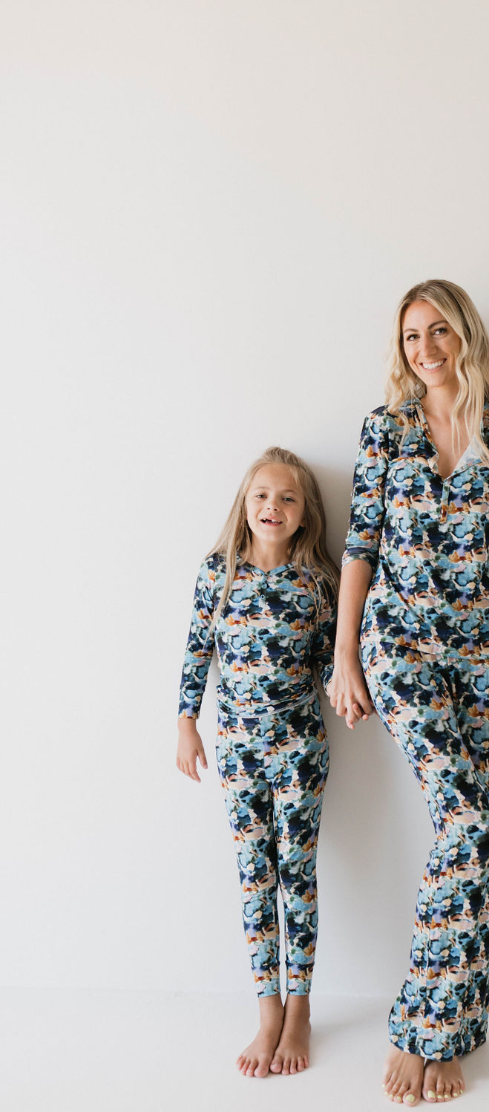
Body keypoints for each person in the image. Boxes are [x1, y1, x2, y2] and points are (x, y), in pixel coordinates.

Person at [329, 280, 489, 1106]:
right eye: (411, 336)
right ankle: (418, 1028)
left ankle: (457, 1030)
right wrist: (345, 658)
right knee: (461, 816)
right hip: (401, 647)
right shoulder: (385, 431)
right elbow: (359, 547)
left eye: (439, 331)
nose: (425, 348)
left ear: (466, 334)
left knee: (478, 838)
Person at [176, 447, 338, 1078]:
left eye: (288, 498)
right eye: (262, 496)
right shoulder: (217, 573)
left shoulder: (316, 583)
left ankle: (299, 1010)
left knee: (296, 875)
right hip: (239, 752)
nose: (273, 506)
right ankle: (266, 1009)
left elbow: (331, 662)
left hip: (301, 749)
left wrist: (352, 690)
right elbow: (195, 652)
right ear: (245, 506)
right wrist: (186, 723)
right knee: (254, 875)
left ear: (303, 515)